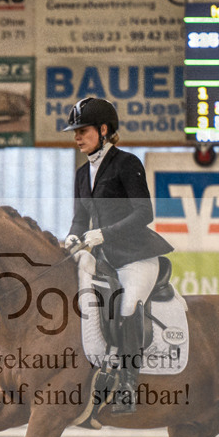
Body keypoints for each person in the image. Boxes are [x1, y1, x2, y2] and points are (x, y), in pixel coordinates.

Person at [62, 97, 173, 414]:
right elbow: (80, 219)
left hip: (137, 256)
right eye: (75, 131)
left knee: (127, 304)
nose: (77, 137)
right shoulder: (83, 173)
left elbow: (144, 212)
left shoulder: (127, 163)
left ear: (104, 130)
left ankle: (127, 383)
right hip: (104, 256)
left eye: (82, 131)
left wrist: (106, 233)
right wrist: (73, 235)